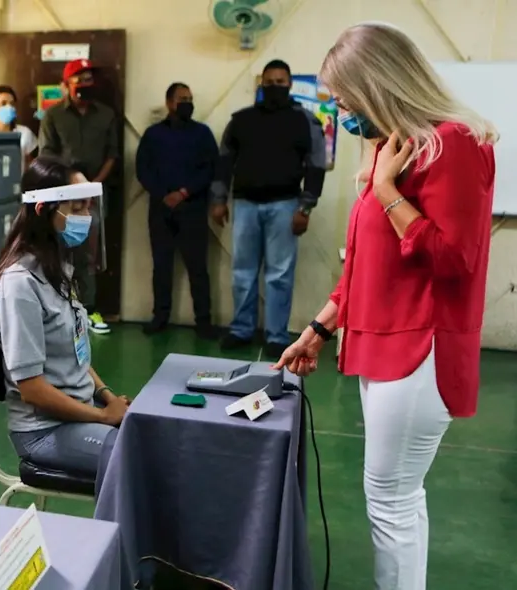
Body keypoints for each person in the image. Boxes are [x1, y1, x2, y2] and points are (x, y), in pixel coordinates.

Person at [274, 23, 496, 590]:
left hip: (420, 350)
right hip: (379, 345)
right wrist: (319, 330)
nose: (341, 110)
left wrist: (390, 192)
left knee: (390, 501)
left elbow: (454, 260)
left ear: (380, 84)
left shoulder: (454, 145)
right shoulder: (388, 148)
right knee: (400, 498)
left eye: (345, 98)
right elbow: (363, 269)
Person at [0, 156, 129, 494]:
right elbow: (32, 389)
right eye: (76, 208)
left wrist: (104, 396)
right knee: (137, 457)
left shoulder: (57, 267)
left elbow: (76, 354)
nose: (85, 218)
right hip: (44, 432)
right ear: (45, 210)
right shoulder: (20, 283)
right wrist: (104, 417)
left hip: (79, 416)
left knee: (152, 436)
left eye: (88, 207)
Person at [211, 59, 327, 359]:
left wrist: (306, 207)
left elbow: (316, 166)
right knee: (242, 272)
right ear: (261, 83)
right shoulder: (242, 120)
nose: (275, 86)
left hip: (285, 206)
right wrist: (219, 199)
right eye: (269, 81)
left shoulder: (306, 121)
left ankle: (276, 336)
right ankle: (241, 330)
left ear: (289, 84)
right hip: (245, 205)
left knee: (280, 275)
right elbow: (224, 161)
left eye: (280, 81)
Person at [38, 59, 119, 335]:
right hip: (61, 195)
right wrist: (72, 183)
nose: (85, 84)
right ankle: (58, 310)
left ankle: (88, 308)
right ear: (66, 85)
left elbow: (112, 155)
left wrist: (92, 186)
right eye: (79, 79)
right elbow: (46, 156)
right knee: (57, 252)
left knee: (89, 255)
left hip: (93, 195)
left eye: (88, 79)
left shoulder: (106, 115)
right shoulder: (52, 116)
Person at [135, 82, 219, 338]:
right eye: (182, 98)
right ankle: (160, 317)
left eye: (190, 98)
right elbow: (143, 170)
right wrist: (164, 194)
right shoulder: (152, 135)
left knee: (198, 268)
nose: (188, 103)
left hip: (192, 208)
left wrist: (183, 192)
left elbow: (211, 169)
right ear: (169, 103)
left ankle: (203, 322)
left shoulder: (203, 134)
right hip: (161, 210)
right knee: (161, 267)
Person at [0, 85, 38, 168]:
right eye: (3, 103)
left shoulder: (25, 133)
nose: (9, 107)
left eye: (12, 104)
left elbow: (33, 164)